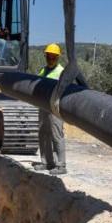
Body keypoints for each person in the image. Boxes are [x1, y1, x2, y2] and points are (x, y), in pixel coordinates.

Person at [34, 43, 67, 175]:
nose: (51, 59)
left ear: (58, 58)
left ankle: (61, 165)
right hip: (43, 106)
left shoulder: (61, 72)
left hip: (55, 108)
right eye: (49, 56)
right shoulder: (43, 70)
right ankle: (46, 162)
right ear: (46, 56)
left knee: (56, 135)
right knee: (43, 134)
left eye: (53, 57)